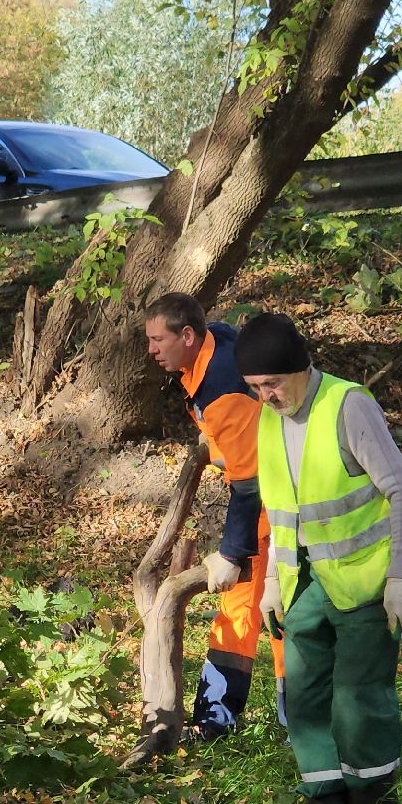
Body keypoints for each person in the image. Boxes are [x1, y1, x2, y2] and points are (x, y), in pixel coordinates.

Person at [236, 313, 402, 804]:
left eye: (272, 384)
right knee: (304, 697)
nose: (266, 397)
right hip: (302, 586)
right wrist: (273, 580)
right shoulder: (267, 417)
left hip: (365, 584)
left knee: (358, 699)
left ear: (302, 367)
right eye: (255, 388)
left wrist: (400, 580)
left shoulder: (348, 406)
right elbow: (280, 508)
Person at [142, 292, 282, 741]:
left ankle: (298, 720)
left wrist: (231, 550)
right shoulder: (210, 345)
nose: (151, 350)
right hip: (258, 505)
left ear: (187, 335)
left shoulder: (223, 389)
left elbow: (250, 483)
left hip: (276, 512)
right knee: (238, 613)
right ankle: (215, 720)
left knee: (281, 617)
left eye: (157, 339)